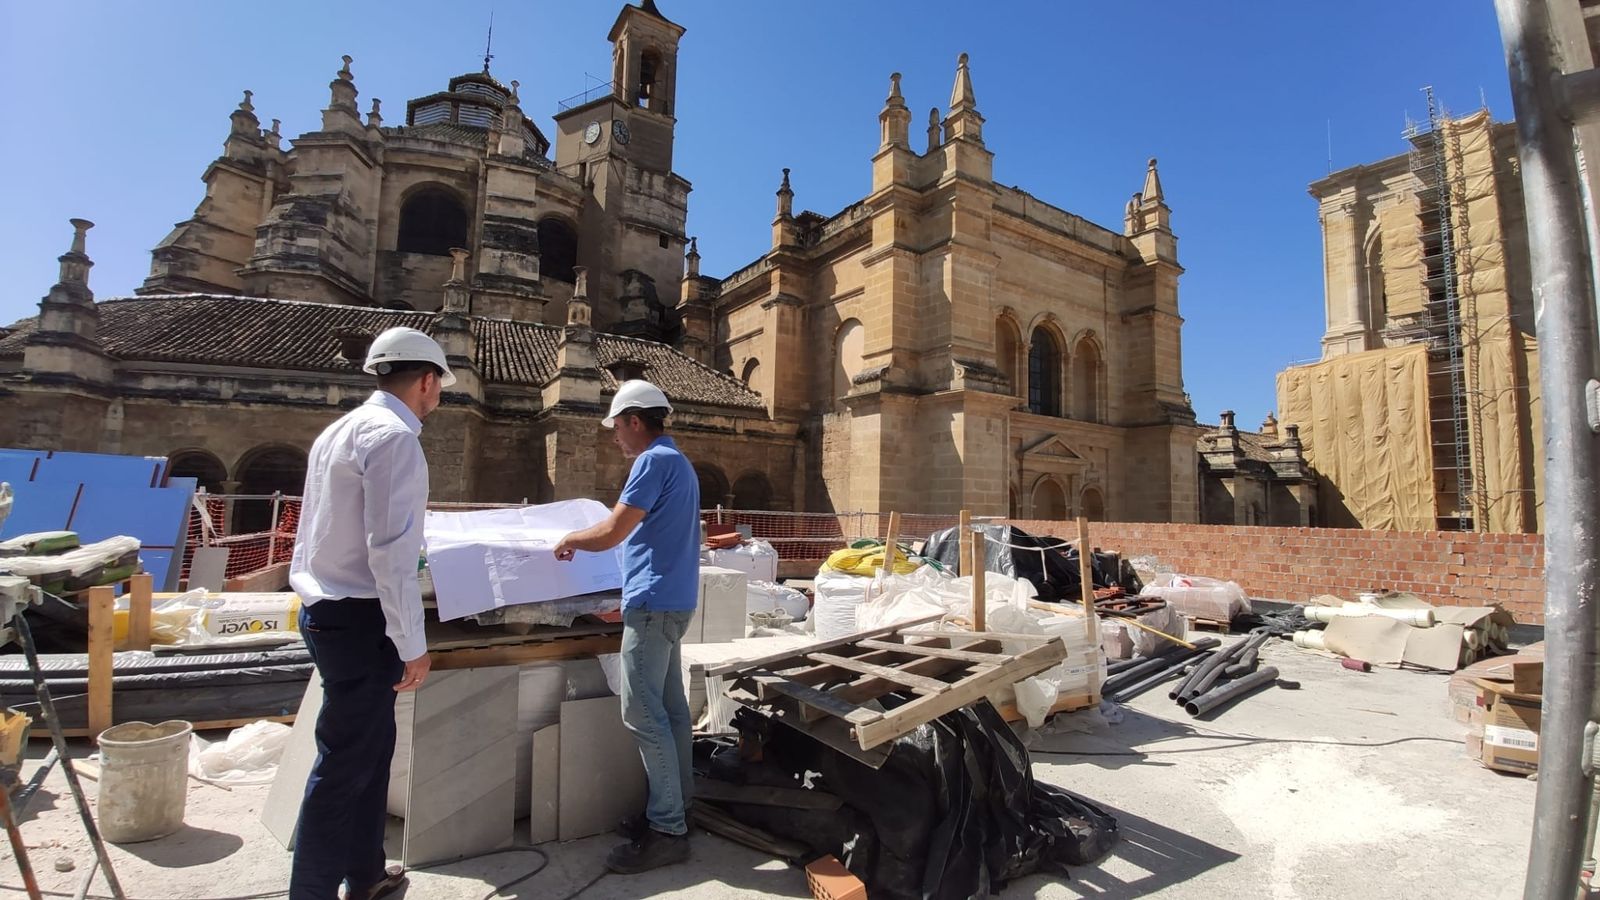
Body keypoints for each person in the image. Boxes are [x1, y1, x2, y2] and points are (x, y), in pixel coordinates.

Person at [287, 326, 453, 900]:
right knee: (343, 766)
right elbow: (392, 554)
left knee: (370, 752)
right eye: (439, 389)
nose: (437, 399)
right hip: (361, 620)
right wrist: (413, 643)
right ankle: (308, 893)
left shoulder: (341, 429)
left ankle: (364, 874)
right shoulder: (395, 439)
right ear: (427, 381)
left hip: (327, 608)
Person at [554, 379, 700, 874]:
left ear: (635, 420)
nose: (615, 437)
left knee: (641, 712)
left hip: (654, 604)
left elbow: (616, 528)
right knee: (672, 710)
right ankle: (679, 809)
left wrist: (570, 538)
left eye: (617, 426)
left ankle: (667, 829)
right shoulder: (678, 460)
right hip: (673, 601)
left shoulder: (652, 460)